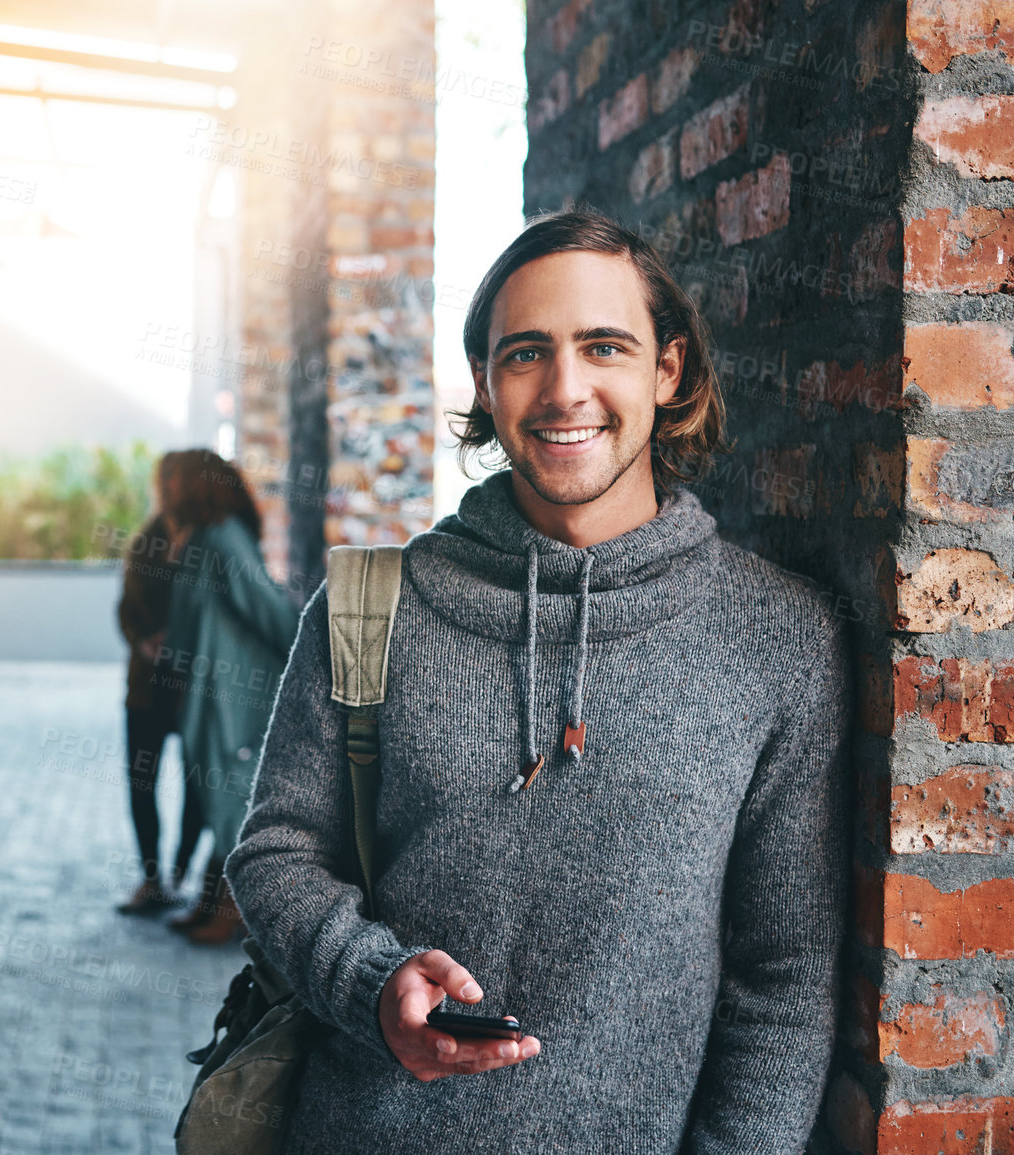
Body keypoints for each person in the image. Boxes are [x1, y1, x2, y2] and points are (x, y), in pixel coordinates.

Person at [225, 210, 849, 1152]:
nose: (565, 391)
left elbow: (783, 975)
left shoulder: (778, 641)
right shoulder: (368, 607)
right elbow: (274, 852)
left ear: (665, 370)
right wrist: (370, 981)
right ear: (484, 381)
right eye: (525, 354)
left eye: (604, 346)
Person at [161, 450, 299, 946]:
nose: (165, 491)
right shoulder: (200, 537)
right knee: (211, 793)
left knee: (227, 797)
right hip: (204, 695)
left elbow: (271, 613)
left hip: (232, 698)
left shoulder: (222, 538)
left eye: (173, 481)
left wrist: (308, 665)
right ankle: (211, 895)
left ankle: (235, 908)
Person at [113, 453, 205, 915]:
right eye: (163, 480)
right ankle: (151, 878)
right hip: (146, 688)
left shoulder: (208, 543)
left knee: (198, 786)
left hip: (192, 691)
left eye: (176, 481)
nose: (168, 489)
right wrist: (144, 643)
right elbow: (124, 609)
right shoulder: (144, 541)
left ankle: (181, 872)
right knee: (141, 781)